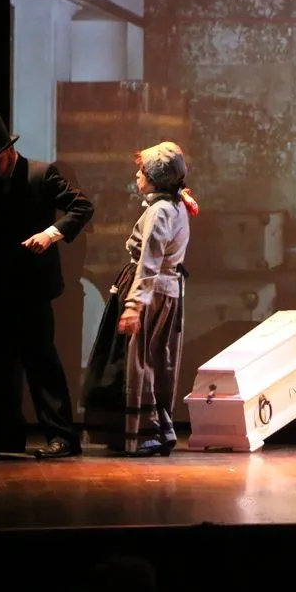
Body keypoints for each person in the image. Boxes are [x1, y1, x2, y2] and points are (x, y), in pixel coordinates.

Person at [81, 141, 197, 457]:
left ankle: (144, 434)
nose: (137, 175)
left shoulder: (161, 211)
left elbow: (150, 259)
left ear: (156, 178)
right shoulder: (174, 204)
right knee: (149, 360)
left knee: (138, 361)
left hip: (151, 292)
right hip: (164, 291)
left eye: (142, 171)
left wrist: (134, 304)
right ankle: (152, 431)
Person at [0, 112, 94, 459]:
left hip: (33, 287)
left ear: (8, 151)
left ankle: (63, 436)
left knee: (41, 361)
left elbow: (82, 207)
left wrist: (50, 234)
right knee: (3, 363)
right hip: (0, 285)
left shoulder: (42, 173)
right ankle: (7, 435)